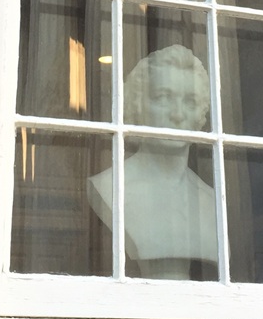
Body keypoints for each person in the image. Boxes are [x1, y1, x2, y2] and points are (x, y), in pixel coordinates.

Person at [88, 44, 217, 279]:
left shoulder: (211, 201)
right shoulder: (109, 188)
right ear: (137, 105)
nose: (177, 114)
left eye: (189, 102)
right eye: (163, 98)